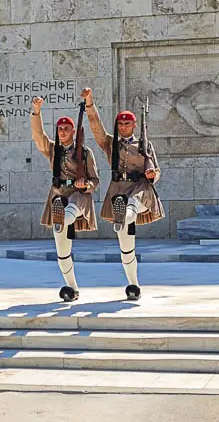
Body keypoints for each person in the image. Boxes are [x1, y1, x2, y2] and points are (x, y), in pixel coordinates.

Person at [80, 87, 164, 301]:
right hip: (118, 191)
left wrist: (152, 173)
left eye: (127, 123)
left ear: (134, 125)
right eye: (120, 124)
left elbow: (155, 170)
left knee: (132, 204)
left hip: (141, 190)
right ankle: (133, 284)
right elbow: (96, 127)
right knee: (126, 246)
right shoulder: (111, 144)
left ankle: (124, 215)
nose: (124, 127)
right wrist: (89, 103)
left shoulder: (144, 144)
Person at [30, 96, 99, 302]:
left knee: (67, 214)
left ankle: (64, 216)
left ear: (73, 132)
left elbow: (95, 180)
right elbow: (38, 136)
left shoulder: (85, 153)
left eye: (66, 129)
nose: (62, 132)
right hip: (59, 195)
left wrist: (85, 185)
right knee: (61, 247)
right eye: (59, 129)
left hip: (78, 198)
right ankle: (72, 287)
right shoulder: (54, 150)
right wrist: (36, 112)